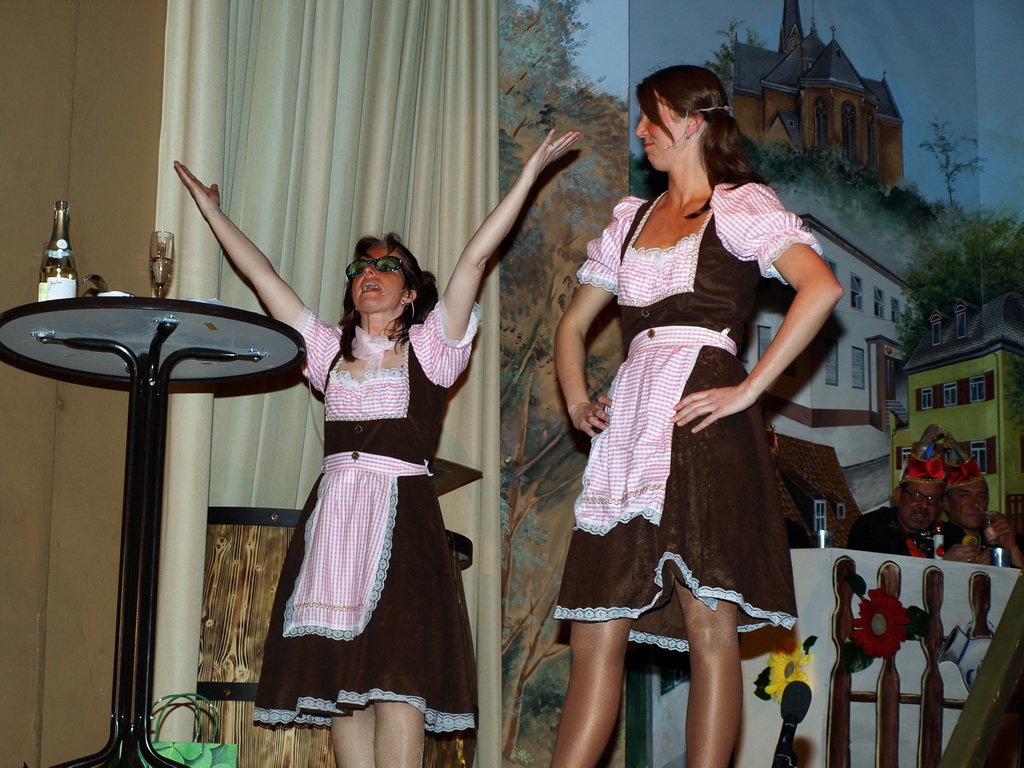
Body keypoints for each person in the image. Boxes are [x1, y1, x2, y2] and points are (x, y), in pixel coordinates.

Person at [175, 128, 579, 768]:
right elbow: (262, 276)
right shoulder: (326, 352)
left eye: (387, 267)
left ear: (411, 292)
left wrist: (529, 176)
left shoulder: (432, 349)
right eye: (361, 267)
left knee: (398, 683)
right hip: (335, 522)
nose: (370, 274)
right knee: (344, 690)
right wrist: (213, 211)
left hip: (402, 522)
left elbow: (475, 260)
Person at [551, 65, 843, 768]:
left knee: (709, 623)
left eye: (652, 118)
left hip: (701, 419)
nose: (641, 131)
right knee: (595, 629)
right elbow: (571, 327)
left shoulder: (739, 204)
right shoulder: (630, 219)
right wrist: (578, 399)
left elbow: (820, 288)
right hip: (629, 427)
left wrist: (749, 390)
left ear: (692, 122)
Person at [846, 456, 964, 558]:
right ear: (898, 496)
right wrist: (944, 565)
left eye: (933, 498)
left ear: (941, 505)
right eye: (916, 495)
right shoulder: (871, 527)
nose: (924, 505)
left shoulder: (952, 535)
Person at [942, 457, 1024, 567]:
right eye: (965, 496)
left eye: (982, 497)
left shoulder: (1006, 540)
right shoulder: (935, 541)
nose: (976, 504)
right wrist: (944, 563)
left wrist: (1012, 549)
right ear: (946, 504)